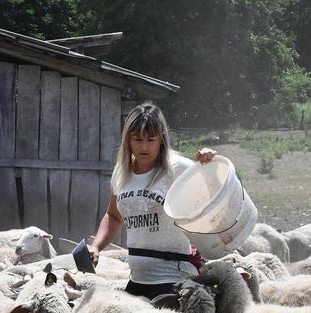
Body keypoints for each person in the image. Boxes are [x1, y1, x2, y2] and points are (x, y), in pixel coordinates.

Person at [88, 101, 217, 300]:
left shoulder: (178, 169)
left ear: (161, 140)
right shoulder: (122, 173)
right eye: (138, 139)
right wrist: (96, 246)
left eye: (151, 139)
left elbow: (214, 194)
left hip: (173, 277)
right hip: (137, 279)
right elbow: (114, 216)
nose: (144, 146)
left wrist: (208, 163)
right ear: (128, 141)